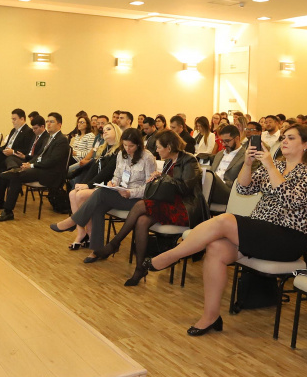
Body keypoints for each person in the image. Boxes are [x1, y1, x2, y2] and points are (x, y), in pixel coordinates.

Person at [142, 124, 307, 335]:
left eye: (291, 138)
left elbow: (290, 200)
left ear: (306, 144)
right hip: (261, 231)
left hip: (287, 238)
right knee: (216, 249)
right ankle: (210, 316)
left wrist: (270, 167)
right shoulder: (275, 164)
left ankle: (170, 256)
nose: (284, 141)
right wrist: (248, 164)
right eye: (284, 137)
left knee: (224, 220)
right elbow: (242, 188)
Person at [91, 130, 207, 286]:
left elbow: (185, 188)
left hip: (185, 208)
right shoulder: (168, 162)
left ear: (170, 147)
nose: (157, 150)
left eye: (159, 147)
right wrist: (157, 178)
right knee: (142, 221)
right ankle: (140, 268)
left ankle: (114, 244)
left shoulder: (189, 160)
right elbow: (167, 188)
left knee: (140, 204)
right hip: (169, 204)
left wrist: (163, 178)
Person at [50, 128, 156, 261]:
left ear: (139, 144)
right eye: (125, 145)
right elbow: (117, 175)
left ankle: (73, 221)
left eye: (131, 146)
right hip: (119, 193)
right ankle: (97, 250)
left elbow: (149, 187)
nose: (128, 149)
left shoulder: (147, 158)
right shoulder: (121, 154)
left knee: (100, 194)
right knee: (97, 207)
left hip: (136, 200)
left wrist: (130, 193)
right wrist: (113, 183)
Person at [0, 113, 70, 222]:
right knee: (16, 175)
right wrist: (28, 163)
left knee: (16, 176)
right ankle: (7, 209)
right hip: (41, 169)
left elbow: (52, 161)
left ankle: (7, 211)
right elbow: (39, 156)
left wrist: (32, 165)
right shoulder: (49, 138)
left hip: (51, 174)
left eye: (52, 122)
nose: (48, 124)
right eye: (47, 121)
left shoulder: (62, 140)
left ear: (59, 125)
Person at [63, 123, 122, 249]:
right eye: (104, 129)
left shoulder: (119, 151)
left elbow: (107, 172)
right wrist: (84, 183)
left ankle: (89, 234)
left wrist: (88, 185)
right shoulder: (103, 148)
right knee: (73, 193)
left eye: (109, 129)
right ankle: (81, 233)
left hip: (108, 186)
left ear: (116, 132)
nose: (104, 131)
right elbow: (94, 170)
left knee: (80, 195)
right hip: (98, 184)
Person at [207, 125, 247, 206]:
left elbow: (243, 183)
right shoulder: (219, 154)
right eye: (222, 141)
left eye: (227, 141)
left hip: (229, 190)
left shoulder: (246, 156)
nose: (224, 144)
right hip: (211, 187)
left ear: (237, 138)